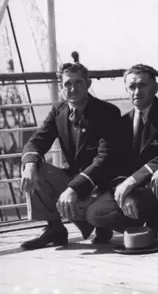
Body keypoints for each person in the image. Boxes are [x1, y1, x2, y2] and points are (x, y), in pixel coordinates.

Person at [85, 64, 158, 251]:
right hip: (136, 190)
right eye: (132, 87)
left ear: (155, 87)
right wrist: (125, 191)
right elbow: (115, 163)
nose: (137, 91)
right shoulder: (123, 122)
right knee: (95, 214)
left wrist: (133, 180)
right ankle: (141, 229)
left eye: (142, 85)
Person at [19, 61, 122, 250]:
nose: (72, 88)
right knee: (35, 166)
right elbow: (37, 141)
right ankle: (55, 228)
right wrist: (30, 164)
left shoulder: (108, 113)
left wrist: (74, 188)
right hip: (75, 178)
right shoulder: (59, 111)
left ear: (88, 84)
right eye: (67, 84)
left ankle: (101, 225)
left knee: (95, 212)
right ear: (61, 86)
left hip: (100, 183)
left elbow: (105, 159)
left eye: (78, 83)